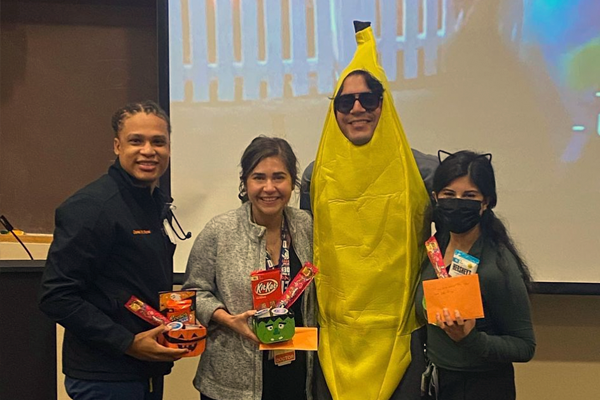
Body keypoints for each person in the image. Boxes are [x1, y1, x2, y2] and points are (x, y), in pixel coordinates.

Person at [306, 22, 436, 400]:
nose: (357, 108)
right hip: (336, 341)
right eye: (346, 102)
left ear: (386, 103)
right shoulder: (316, 176)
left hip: (401, 339)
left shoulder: (423, 172)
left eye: (369, 98)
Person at [39, 100, 188, 400]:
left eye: (159, 142)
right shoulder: (91, 208)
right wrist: (126, 342)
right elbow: (56, 296)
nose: (149, 150)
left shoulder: (151, 202)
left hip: (144, 370)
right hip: (105, 376)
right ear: (117, 146)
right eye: (137, 141)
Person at [182, 136, 316, 400]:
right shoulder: (219, 231)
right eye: (258, 178)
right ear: (245, 183)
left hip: (296, 374)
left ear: (292, 182)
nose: (269, 188)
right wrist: (227, 319)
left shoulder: (307, 226)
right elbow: (194, 293)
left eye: (279, 177)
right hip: (232, 382)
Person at [415, 150, 536, 400]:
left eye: (469, 196)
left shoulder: (498, 266)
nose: (457, 203)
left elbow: (525, 346)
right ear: (436, 197)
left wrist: (471, 339)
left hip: (482, 387)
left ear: (485, 203)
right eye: (449, 194)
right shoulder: (436, 245)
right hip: (436, 381)